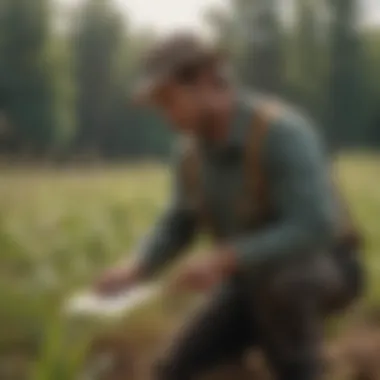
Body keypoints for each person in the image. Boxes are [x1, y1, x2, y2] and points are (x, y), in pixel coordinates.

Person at [95, 32, 363, 380]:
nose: (164, 114)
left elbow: (315, 224)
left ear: (206, 82)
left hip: (327, 269)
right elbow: (179, 221)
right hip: (248, 282)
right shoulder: (189, 153)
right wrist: (137, 268)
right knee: (176, 371)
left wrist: (227, 258)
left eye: (167, 100)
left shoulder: (282, 133)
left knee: (283, 288)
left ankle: (300, 368)